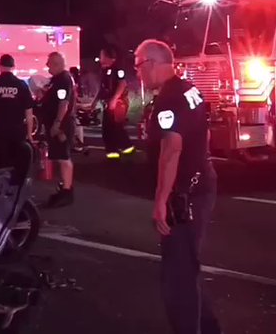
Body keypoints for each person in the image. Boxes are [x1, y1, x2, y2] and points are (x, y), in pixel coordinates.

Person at [136, 39, 219, 334]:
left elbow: (171, 150)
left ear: (153, 63)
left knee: (177, 277)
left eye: (138, 65)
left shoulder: (169, 99)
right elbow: (203, 135)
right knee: (188, 267)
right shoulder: (188, 90)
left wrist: (161, 201)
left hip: (185, 197)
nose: (138, 73)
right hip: (200, 185)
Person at [37, 52, 76, 208]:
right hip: (57, 124)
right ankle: (63, 189)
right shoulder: (56, 80)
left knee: (64, 158)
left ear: (57, 63)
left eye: (49, 63)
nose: (47, 65)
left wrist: (57, 124)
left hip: (62, 126)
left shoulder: (64, 80)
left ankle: (67, 191)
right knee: (60, 157)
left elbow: (63, 104)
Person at [97, 45, 136, 159]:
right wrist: (94, 101)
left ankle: (121, 149)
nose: (100, 58)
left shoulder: (117, 69)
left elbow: (122, 84)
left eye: (102, 55)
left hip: (118, 103)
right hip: (109, 103)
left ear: (109, 57)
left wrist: (114, 99)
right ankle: (117, 150)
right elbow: (102, 88)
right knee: (110, 127)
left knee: (114, 127)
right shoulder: (105, 70)